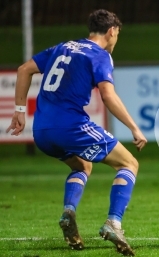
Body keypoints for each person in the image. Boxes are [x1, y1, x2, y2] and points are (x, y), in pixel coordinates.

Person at [6, 9, 146, 256]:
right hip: (70, 127)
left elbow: (24, 69)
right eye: (117, 34)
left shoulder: (63, 47)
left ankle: (68, 211)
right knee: (129, 163)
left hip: (41, 130)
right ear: (112, 31)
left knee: (82, 167)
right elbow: (108, 95)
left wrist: (19, 111)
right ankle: (114, 222)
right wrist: (134, 127)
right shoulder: (100, 55)